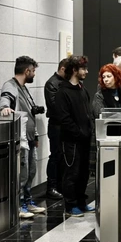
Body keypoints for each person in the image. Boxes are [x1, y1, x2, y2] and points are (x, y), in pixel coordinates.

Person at [0, 56, 46, 218]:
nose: (34, 74)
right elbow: (6, 98)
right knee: (22, 174)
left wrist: (36, 135)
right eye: (33, 71)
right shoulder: (11, 86)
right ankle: (18, 206)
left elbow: (29, 113)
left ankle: (27, 201)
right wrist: (4, 107)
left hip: (30, 137)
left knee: (31, 171)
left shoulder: (23, 87)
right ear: (27, 71)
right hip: (22, 139)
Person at [56, 56, 95, 217]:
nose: (86, 71)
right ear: (74, 70)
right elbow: (64, 119)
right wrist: (78, 133)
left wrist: (89, 130)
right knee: (72, 173)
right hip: (71, 141)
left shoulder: (82, 90)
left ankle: (81, 201)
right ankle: (70, 205)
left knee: (83, 173)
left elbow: (87, 113)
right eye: (83, 68)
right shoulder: (63, 92)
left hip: (85, 139)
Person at [44, 58, 69, 200]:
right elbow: (56, 106)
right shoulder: (52, 83)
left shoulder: (65, 83)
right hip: (56, 125)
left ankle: (60, 185)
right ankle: (51, 187)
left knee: (63, 156)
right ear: (63, 69)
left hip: (64, 124)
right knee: (55, 155)